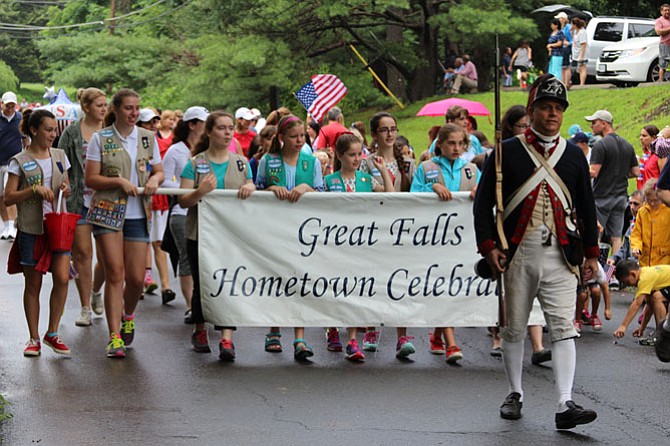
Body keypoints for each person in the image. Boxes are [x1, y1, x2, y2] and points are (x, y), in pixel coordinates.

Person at [474, 74, 600, 429]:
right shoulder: (506, 152)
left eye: (558, 108)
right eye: (546, 107)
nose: (553, 114)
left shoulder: (573, 155)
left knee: (564, 328)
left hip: (561, 254)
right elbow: (483, 206)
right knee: (513, 327)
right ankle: (514, 392)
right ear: (531, 112)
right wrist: (488, 248)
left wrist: (591, 254)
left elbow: (587, 208)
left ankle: (565, 403)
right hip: (518, 252)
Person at [84, 88, 164, 359]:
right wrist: (118, 181)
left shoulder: (147, 138)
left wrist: (154, 180)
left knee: (136, 279)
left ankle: (128, 314)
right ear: (115, 110)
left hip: (139, 214)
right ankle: (114, 335)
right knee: (115, 273)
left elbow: (159, 171)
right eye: (128, 108)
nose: (134, 113)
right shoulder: (100, 138)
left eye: (137, 108)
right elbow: (91, 179)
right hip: (108, 212)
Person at [179, 111, 255, 361]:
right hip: (199, 232)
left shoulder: (240, 162)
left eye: (230, 128)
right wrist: (201, 191)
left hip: (230, 234)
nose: (227, 132)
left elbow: (252, 185)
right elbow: (183, 200)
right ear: (209, 132)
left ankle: (226, 337)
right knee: (203, 284)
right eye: (221, 128)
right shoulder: (195, 163)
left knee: (229, 282)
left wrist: (250, 186)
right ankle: (200, 330)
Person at [255, 114, 324, 361]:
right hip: (275, 228)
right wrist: (271, 189)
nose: (298, 140)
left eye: (302, 136)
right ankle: (273, 329)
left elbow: (322, 192)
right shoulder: (268, 160)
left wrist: (307, 188)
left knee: (300, 280)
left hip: (303, 229)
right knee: (276, 278)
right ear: (281, 138)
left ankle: (300, 336)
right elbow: (258, 187)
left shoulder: (311, 162)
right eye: (293, 136)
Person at [4, 109, 72, 357]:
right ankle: (33, 338)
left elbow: (67, 186)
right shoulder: (18, 161)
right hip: (32, 229)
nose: (53, 134)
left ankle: (52, 332)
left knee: (63, 278)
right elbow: (8, 197)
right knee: (33, 284)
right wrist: (33, 190)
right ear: (34, 130)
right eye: (48, 129)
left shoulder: (60, 156)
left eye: (55, 130)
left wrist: (66, 187)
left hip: (59, 227)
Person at [488, 104, 551, 365]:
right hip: (511, 235)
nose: (526, 130)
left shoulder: (544, 152)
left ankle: (537, 346)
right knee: (512, 299)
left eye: (528, 125)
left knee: (538, 290)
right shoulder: (504, 154)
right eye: (521, 126)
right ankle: (500, 338)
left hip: (542, 236)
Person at [411, 123, 479, 364]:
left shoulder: (471, 169)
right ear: (440, 144)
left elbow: (484, 194)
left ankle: (437, 336)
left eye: (461, 143)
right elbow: (413, 197)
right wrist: (433, 188)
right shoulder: (427, 167)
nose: (457, 148)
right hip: (435, 238)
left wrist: (478, 191)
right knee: (442, 286)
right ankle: (451, 343)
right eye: (451, 143)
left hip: (462, 239)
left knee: (454, 286)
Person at [323, 133, 393, 362]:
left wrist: (382, 170)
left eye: (359, 154)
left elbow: (390, 196)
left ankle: (352, 339)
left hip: (361, 242)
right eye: (351, 155)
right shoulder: (330, 180)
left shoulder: (366, 180)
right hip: (335, 241)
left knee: (354, 289)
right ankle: (332, 327)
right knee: (334, 287)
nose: (356, 159)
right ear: (340, 155)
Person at [57, 87, 107, 326]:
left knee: (109, 257)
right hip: (78, 200)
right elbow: (60, 164)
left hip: (107, 202)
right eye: (99, 105)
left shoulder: (110, 131)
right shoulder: (71, 132)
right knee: (83, 254)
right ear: (86, 107)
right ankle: (85, 307)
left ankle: (97, 289)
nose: (104, 109)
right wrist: (63, 185)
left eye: (105, 104)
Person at [162, 106, 209, 324]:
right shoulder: (176, 151)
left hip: (209, 213)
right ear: (192, 124)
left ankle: (207, 305)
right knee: (187, 257)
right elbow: (164, 178)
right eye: (203, 121)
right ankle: (191, 306)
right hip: (181, 211)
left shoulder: (210, 151)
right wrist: (186, 187)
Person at [586, 110, 639, 258]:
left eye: (594, 122)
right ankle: (614, 274)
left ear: (604, 124)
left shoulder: (600, 146)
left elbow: (593, 172)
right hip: (621, 197)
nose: (591, 126)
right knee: (616, 237)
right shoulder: (627, 145)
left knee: (595, 234)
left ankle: (595, 270)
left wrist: (576, 171)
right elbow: (635, 172)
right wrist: (620, 174)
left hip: (601, 197)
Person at [137, 108, 174, 302]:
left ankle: (166, 287)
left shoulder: (159, 144)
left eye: (154, 122)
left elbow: (162, 172)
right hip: (135, 199)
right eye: (148, 123)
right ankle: (138, 282)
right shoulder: (131, 144)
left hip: (157, 198)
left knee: (159, 243)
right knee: (139, 243)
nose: (153, 126)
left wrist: (155, 179)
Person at [613, 260, 670, 341]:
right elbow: (649, 304)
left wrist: (623, 325)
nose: (629, 285)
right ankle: (662, 333)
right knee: (652, 298)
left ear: (633, 274)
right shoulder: (644, 273)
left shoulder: (644, 279)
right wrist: (642, 327)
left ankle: (663, 336)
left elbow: (636, 304)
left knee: (657, 297)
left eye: (628, 282)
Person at [1, 91, 22, 240]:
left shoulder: (20, 119)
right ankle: (6, 224)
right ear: (2, 103)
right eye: (7, 105)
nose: (9, 108)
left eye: (12, 106)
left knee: (10, 193)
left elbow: (26, 139)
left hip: (13, 162)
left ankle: (12, 227)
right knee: (0, 195)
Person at [637, 125, 660, 190]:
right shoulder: (646, 155)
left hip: (655, 194)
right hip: (643, 195)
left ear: (653, 138)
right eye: (640, 135)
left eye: (644, 136)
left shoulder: (658, 155)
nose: (641, 138)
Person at [555, 12, 573, 87]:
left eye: (560, 18)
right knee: (561, 66)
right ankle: (562, 83)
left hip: (566, 48)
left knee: (566, 66)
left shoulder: (568, 27)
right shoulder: (560, 28)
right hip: (560, 48)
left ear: (563, 19)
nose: (558, 20)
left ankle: (567, 83)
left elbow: (572, 39)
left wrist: (568, 43)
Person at [570, 17, 588, 86]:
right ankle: (581, 82)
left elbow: (584, 44)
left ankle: (582, 83)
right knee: (579, 68)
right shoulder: (575, 31)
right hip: (576, 52)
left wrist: (582, 56)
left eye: (572, 24)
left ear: (575, 25)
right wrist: (571, 31)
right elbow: (574, 39)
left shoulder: (582, 32)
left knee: (582, 67)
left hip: (582, 52)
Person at [655, 4, 670, 81]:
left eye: (668, 10)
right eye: (665, 10)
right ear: (661, 11)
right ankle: (660, 82)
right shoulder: (659, 20)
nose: (667, 11)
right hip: (665, 45)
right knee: (663, 65)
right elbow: (658, 31)